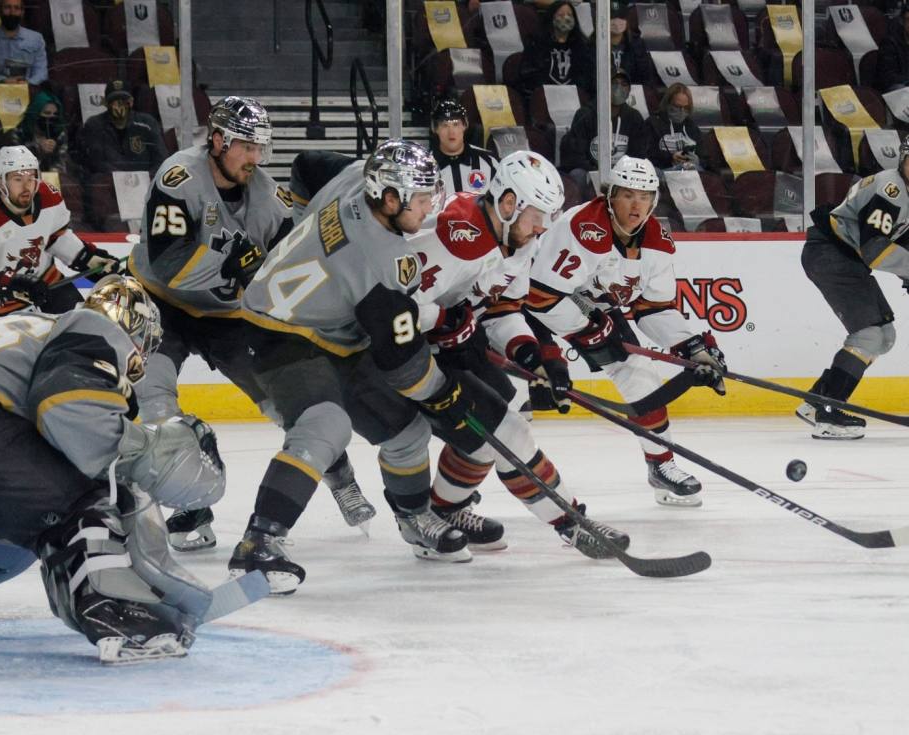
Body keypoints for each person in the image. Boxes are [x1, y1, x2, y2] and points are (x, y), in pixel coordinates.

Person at [232, 139, 626, 595]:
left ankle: (421, 515)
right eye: (421, 201)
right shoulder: (404, 252)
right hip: (286, 331)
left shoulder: (366, 178)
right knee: (328, 425)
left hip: (344, 330)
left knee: (417, 432)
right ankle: (259, 540)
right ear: (510, 202)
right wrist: (444, 375)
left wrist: (533, 355)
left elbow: (307, 162)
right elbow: (400, 350)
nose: (430, 209)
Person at [0, 276, 230, 664]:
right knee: (88, 498)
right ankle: (119, 615)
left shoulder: (37, 327)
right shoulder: (95, 328)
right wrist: (145, 450)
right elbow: (68, 407)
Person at [126, 96, 376, 551]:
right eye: (246, 146)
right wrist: (232, 265)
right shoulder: (178, 177)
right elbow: (168, 264)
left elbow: (283, 271)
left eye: (262, 147)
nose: (256, 158)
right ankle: (189, 503)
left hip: (229, 317)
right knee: (155, 404)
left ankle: (342, 478)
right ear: (218, 140)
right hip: (161, 307)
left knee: (289, 402)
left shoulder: (271, 200)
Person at [408, 150, 629, 552]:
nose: (541, 230)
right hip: (401, 356)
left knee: (493, 426)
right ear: (508, 203)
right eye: (536, 217)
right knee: (506, 431)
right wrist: (439, 319)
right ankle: (571, 522)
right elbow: (389, 306)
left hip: (443, 348)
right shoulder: (451, 235)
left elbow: (501, 310)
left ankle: (441, 512)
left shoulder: (517, 241)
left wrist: (531, 356)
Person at [528, 156, 728, 507]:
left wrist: (690, 345)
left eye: (644, 196)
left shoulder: (657, 242)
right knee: (512, 399)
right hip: (530, 305)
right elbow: (541, 297)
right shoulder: (584, 226)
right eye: (628, 195)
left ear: (654, 201)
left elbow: (653, 308)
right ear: (610, 196)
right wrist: (586, 329)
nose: (636, 205)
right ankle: (464, 485)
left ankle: (661, 467)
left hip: (589, 305)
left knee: (639, 376)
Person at [797, 137, 909, 439]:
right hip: (831, 254)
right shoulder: (892, 190)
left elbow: (899, 243)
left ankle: (817, 401)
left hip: (844, 259)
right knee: (869, 335)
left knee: (884, 336)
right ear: (903, 160)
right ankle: (829, 414)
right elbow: (875, 249)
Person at [0, 145, 123, 319]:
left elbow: (55, 237)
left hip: (47, 284)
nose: (26, 187)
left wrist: (89, 259)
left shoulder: (49, 197)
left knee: (82, 331)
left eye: (31, 178)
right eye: (17, 179)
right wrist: (15, 283)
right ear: (0, 182)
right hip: (3, 306)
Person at [559, 68, 648, 191]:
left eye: (624, 84)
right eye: (614, 83)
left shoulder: (634, 117)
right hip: (591, 171)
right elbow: (575, 154)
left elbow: (639, 154)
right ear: (604, 86)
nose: (619, 88)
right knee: (577, 175)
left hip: (623, 173)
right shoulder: (585, 114)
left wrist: (621, 173)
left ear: (629, 90)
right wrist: (597, 172)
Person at [79, 79, 167, 176]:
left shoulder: (148, 123)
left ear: (131, 102)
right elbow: (96, 162)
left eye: (123, 101)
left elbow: (161, 158)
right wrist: (122, 179)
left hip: (147, 181)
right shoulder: (95, 125)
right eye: (114, 101)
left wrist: (148, 178)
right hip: (110, 183)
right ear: (106, 103)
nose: (119, 106)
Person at [518, 0, 595, 96]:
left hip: (575, 99)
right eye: (561, 15)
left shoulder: (582, 47)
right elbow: (530, 79)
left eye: (569, 15)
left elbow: (587, 80)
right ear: (551, 18)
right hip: (544, 98)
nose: (566, 18)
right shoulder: (536, 45)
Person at [430, 99, 498, 199]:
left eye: (456, 124)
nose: (451, 132)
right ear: (434, 128)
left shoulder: (489, 161)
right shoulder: (425, 166)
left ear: (465, 125)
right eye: (445, 126)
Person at [645, 83, 705, 173]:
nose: (682, 111)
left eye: (686, 108)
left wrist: (698, 161)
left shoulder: (691, 125)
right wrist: (670, 158)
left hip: (689, 172)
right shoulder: (652, 123)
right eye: (677, 107)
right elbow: (646, 155)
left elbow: (706, 157)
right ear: (667, 104)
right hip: (663, 172)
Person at [0, 0, 47, 86]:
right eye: (7, 7)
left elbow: (41, 73)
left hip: (29, 90)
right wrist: (3, 81)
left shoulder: (36, 39)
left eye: (17, 8)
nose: (12, 12)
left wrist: (27, 83)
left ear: (22, 12)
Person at [10, 90, 69, 173]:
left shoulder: (59, 133)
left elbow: (62, 162)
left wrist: (54, 153)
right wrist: (37, 148)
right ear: (35, 114)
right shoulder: (18, 132)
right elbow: (15, 162)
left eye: (55, 114)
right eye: (47, 113)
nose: (51, 117)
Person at [608, 0, 653, 86]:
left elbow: (645, 77)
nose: (617, 22)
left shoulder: (637, 44)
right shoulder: (594, 45)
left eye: (621, 17)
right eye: (612, 18)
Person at [876, 2, 909, 93]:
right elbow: (888, 77)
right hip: (898, 89)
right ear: (902, 22)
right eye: (908, 20)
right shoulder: (889, 43)